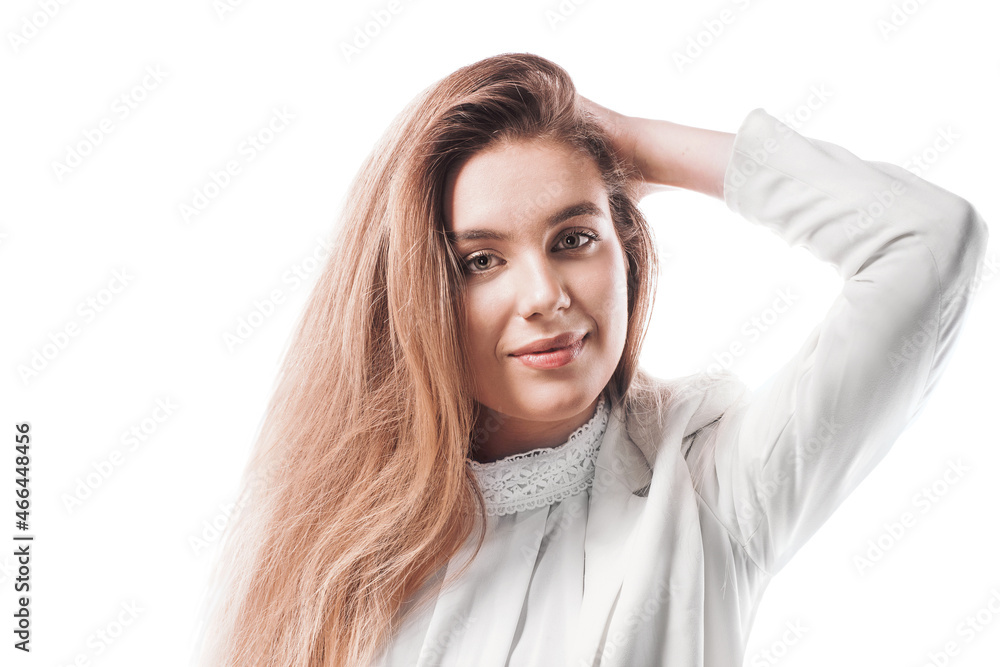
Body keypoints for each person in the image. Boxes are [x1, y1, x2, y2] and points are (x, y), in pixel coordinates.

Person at [193, 52, 989, 667]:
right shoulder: (339, 538)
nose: (544, 295)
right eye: (481, 261)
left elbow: (927, 240)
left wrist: (640, 146)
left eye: (573, 238)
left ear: (627, 253)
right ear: (414, 294)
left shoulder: (709, 489)